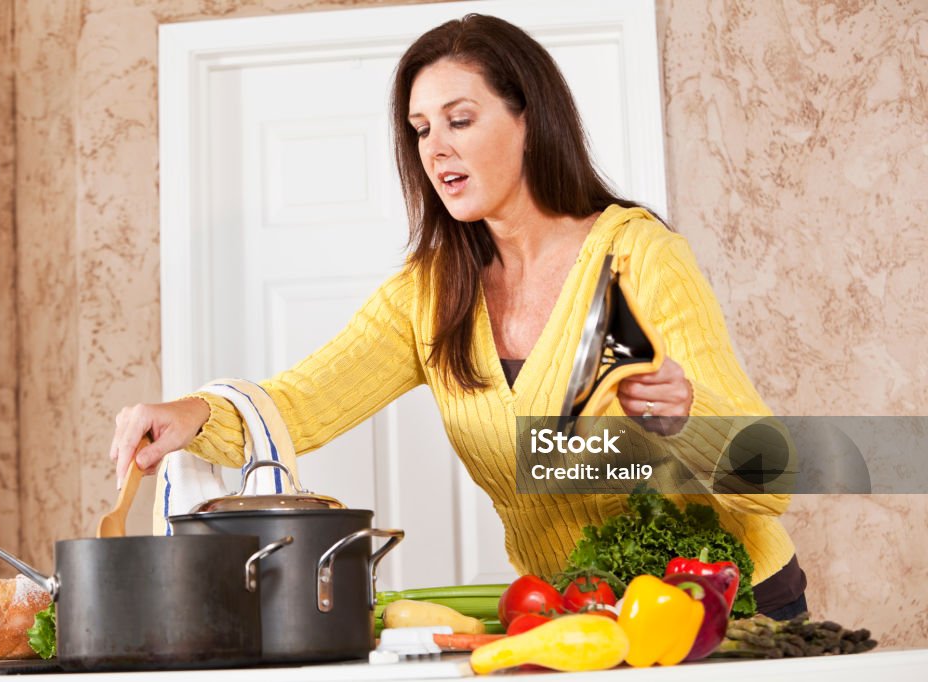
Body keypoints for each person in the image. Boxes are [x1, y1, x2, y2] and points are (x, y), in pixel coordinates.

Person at [110, 14, 806, 619]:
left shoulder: (636, 258)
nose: (435, 148)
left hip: (730, 603)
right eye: (420, 130)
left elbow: (769, 477)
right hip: (577, 617)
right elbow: (299, 404)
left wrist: (689, 424)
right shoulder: (431, 294)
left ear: (530, 119)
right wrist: (194, 413)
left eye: (460, 120)